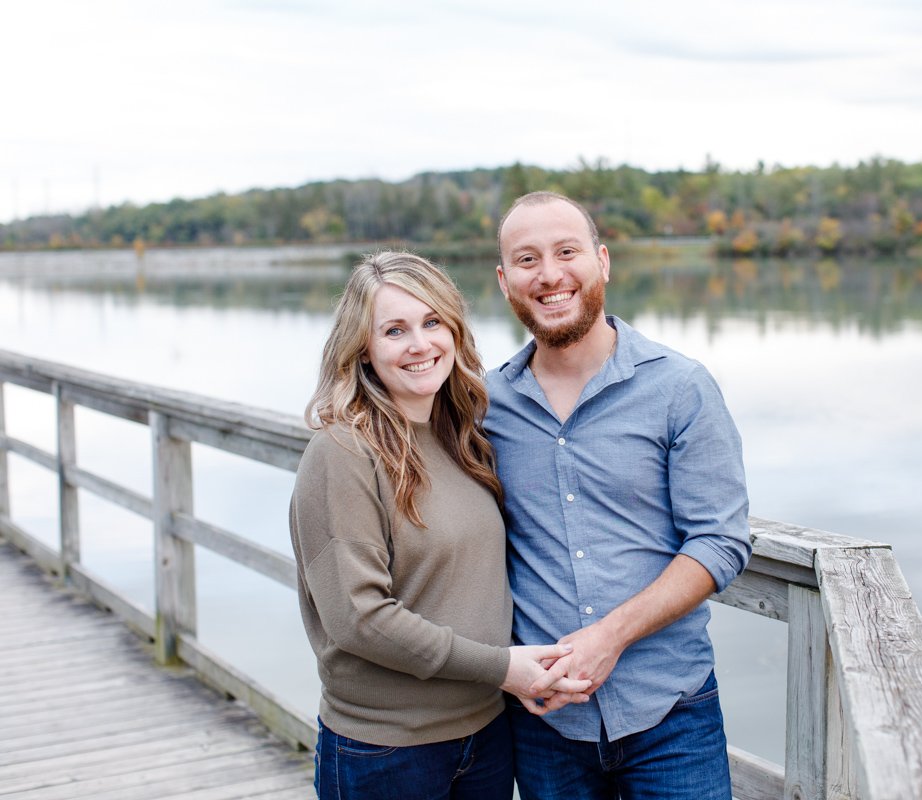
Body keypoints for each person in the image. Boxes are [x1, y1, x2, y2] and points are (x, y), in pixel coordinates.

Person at [290, 251, 590, 800]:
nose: (420, 344)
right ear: (362, 348)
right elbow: (359, 618)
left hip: (486, 735)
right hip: (389, 751)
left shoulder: (463, 438)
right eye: (395, 330)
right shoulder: (343, 452)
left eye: (432, 322)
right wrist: (502, 668)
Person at [484, 193, 753, 800]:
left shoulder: (680, 388)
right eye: (527, 259)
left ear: (602, 262)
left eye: (567, 251)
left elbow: (720, 540)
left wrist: (610, 637)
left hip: (671, 713)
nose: (550, 275)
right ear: (505, 281)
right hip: (544, 720)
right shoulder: (483, 405)